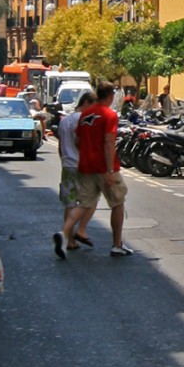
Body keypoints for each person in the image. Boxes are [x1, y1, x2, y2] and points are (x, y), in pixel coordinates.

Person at [54, 81, 131, 260]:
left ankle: (65, 232)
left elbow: (78, 142)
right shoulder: (109, 115)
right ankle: (117, 244)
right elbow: (109, 142)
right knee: (117, 202)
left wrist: (88, 154)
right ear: (111, 96)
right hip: (103, 167)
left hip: (86, 166)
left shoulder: (85, 114)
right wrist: (110, 169)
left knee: (85, 203)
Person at [57, 91, 96, 249]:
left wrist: (64, 159)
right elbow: (82, 143)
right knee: (90, 200)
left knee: (70, 203)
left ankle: (69, 240)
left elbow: (60, 145)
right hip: (81, 165)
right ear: (86, 102)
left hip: (67, 165)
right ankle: (79, 231)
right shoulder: (83, 120)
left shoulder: (65, 120)